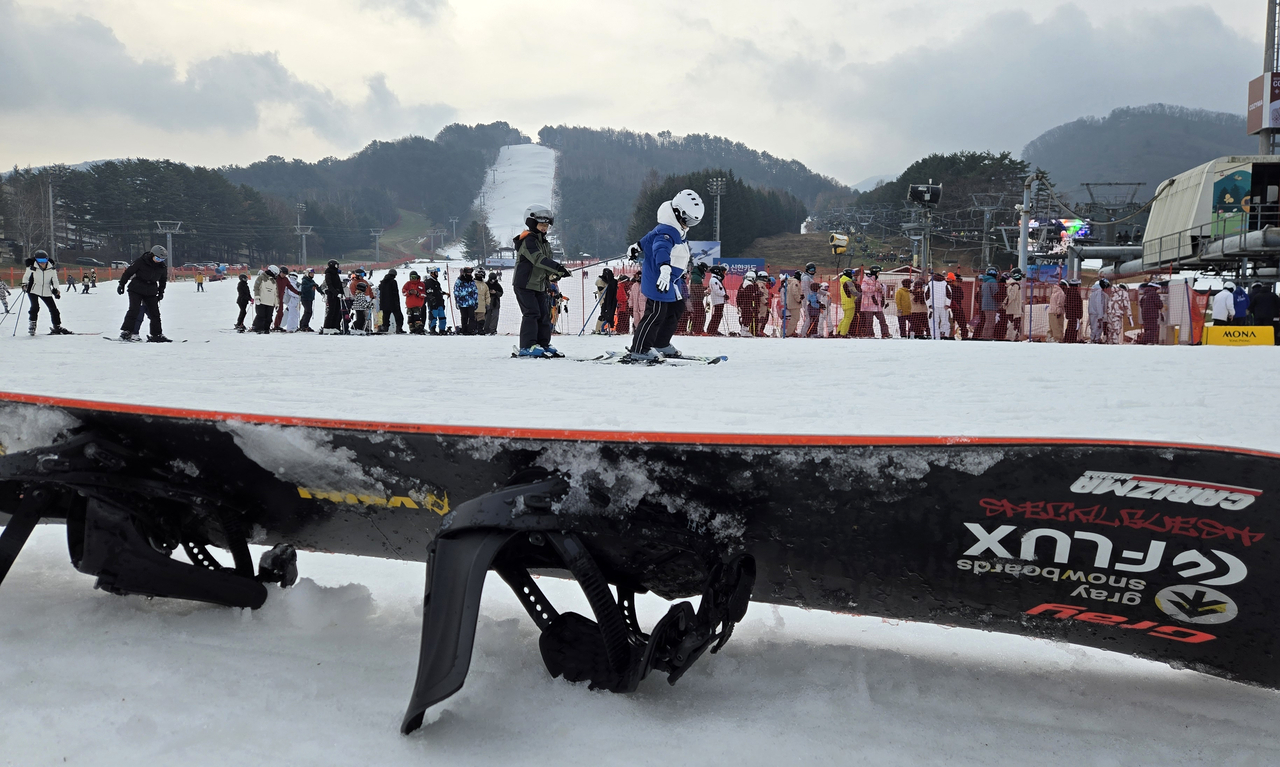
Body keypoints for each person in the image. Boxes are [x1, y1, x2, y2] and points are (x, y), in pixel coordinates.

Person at [628, 189, 705, 360]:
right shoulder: (668, 231)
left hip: (672, 280)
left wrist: (637, 246)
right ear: (678, 212)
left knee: (676, 308)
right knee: (655, 312)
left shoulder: (673, 227)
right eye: (688, 220)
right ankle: (639, 348)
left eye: (692, 222)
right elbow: (660, 248)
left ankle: (661, 343)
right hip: (660, 279)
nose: (688, 225)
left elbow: (649, 237)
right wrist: (664, 268)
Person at [514, 204, 571, 356]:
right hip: (524, 284)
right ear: (532, 224)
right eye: (541, 225)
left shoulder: (545, 243)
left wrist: (555, 274)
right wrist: (557, 267)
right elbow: (538, 260)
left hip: (539, 285)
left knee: (544, 315)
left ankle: (543, 344)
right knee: (531, 313)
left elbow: (545, 265)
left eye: (546, 225)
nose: (544, 228)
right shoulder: (528, 241)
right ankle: (527, 346)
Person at [117, 246, 169, 342]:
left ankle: (156, 334)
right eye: (157, 258)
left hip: (151, 290)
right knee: (134, 309)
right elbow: (128, 273)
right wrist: (121, 284)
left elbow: (163, 281)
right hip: (136, 288)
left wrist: (161, 292)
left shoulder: (162, 267)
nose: (159, 261)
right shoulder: (141, 262)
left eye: (162, 259)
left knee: (155, 313)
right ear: (152, 255)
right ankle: (127, 331)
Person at [23, 251, 71, 336]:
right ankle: (32, 325)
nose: (42, 262)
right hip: (33, 289)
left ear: (47, 259)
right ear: (36, 260)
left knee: (53, 309)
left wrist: (56, 290)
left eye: (44, 260)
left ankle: (57, 326)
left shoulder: (51, 268)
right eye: (39, 260)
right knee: (35, 307)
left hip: (46, 289)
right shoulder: (32, 267)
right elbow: (26, 277)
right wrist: (24, 285)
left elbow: (55, 280)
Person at [859, 265, 890, 338]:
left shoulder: (877, 281)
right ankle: (870, 334)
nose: (879, 274)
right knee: (869, 322)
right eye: (878, 272)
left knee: (882, 320)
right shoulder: (866, 279)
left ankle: (885, 333)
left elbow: (882, 290)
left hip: (877, 305)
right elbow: (863, 288)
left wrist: (881, 289)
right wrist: (874, 288)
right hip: (868, 305)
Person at [251, 265, 280, 334]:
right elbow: (256, 288)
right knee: (261, 316)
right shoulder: (261, 278)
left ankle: (266, 329)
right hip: (262, 302)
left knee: (269, 317)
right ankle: (258, 329)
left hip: (270, 303)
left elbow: (275, 293)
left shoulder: (274, 281)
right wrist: (257, 297)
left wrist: (276, 303)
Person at [684, 261, 708, 336]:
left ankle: (696, 330)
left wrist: (703, 288)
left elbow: (697, 288)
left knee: (698, 315)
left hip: (694, 299)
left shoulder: (695, 275)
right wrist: (705, 292)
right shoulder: (696, 277)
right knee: (700, 315)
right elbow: (697, 291)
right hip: (696, 300)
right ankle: (697, 330)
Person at [453, 267, 479, 335]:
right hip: (463, 303)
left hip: (471, 303)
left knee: (472, 317)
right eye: (468, 272)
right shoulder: (459, 281)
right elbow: (456, 292)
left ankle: (471, 330)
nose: (469, 274)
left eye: (470, 272)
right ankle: (464, 330)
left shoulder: (472, 281)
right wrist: (458, 300)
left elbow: (475, 291)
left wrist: (476, 301)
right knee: (464, 317)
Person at [925, 272, 950, 340]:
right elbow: (949, 294)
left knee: (933, 322)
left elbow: (926, 295)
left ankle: (935, 336)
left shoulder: (930, 284)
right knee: (944, 321)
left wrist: (929, 305)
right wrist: (947, 304)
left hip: (933, 306)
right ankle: (944, 334)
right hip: (943, 306)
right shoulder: (945, 283)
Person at [321, 260, 344, 335]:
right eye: (336, 265)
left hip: (338, 294)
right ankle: (327, 327)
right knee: (331, 311)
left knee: (337, 311)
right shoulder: (328, 273)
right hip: (332, 295)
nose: (337, 267)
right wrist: (336, 293)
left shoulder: (336, 273)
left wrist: (342, 293)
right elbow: (329, 285)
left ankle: (334, 326)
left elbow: (339, 285)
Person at [975, 267, 999, 339]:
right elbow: (995, 293)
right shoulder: (993, 281)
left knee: (987, 321)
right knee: (990, 322)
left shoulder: (985, 282)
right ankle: (987, 336)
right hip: (991, 305)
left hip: (985, 304)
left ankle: (985, 335)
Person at [1104, 279, 1130, 344]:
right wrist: (1130, 317)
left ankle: (1109, 342)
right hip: (1118, 314)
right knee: (1116, 328)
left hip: (1109, 313)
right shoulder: (1124, 293)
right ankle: (1115, 343)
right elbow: (1127, 306)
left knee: (1110, 329)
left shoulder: (1112, 292)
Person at [379, 269, 405, 333]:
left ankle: (385, 328)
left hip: (384, 303)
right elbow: (395, 293)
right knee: (399, 316)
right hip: (393, 303)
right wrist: (397, 303)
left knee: (385, 317)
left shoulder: (382, 282)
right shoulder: (393, 282)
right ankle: (399, 329)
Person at [424, 267, 448, 334]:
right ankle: (432, 329)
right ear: (432, 273)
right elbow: (429, 292)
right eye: (436, 272)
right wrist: (432, 299)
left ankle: (442, 329)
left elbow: (438, 291)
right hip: (433, 303)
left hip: (440, 302)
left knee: (442, 317)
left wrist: (444, 293)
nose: (437, 274)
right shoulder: (429, 282)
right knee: (433, 317)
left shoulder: (436, 281)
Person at [737, 271, 762, 337]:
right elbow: (750, 296)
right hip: (747, 305)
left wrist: (739, 304)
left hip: (743, 304)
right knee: (748, 318)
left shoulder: (743, 284)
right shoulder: (749, 285)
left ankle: (744, 330)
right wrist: (756, 294)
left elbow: (740, 295)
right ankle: (745, 331)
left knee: (744, 317)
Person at [274, 267, 299, 331]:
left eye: (285, 274)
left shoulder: (285, 279)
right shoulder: (276, 279)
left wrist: (297, 292)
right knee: (269, 312)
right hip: (273, 297)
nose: (284, 275)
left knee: (280, 313)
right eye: (283, 273)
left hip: (280, 298)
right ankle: (265, 325)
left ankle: (277, 326)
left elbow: (290, 287)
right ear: (280, 272)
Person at [705, 265, 727, 335]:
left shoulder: (715, 279)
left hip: (719, 300)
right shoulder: (714, 280)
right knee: (716, 316)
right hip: (718, 300)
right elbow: (716, 290)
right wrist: (724, 294)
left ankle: (714, 329)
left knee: (718, 315)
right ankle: (711, 330)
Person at [1002, 270, 1023, 341]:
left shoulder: (1011, 284)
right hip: (1014, 310)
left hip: (1011, 309)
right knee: (1014, 325)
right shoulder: (1015, 285)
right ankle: (1011, 339)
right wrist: (1005, 304)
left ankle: (1011, 338)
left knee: (1011, 325)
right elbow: (1011, 296)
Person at [836, 269, 857, 337]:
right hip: (850, 303)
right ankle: (843, 333)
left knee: (845, 318)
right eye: (852, 274)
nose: (852, 275)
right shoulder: (848, 282)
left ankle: (839, 332)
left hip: (845, 302)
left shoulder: (843, 281)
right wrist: (862, 295)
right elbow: (854, 292)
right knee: (848, 319)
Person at [948, 274, 970, 340]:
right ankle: (949, 336)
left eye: (959, 282)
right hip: (950, 309)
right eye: (957, 281)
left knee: (963, 324)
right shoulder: (948, 288)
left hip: (958, 308)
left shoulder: (959, 288)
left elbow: (961, 297)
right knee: (950, 324)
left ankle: (965, 337)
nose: (958, 283)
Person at [1063, 279, 1084, 343]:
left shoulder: (1068, 293)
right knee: (1074, 329)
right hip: (1075, 316)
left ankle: (1067, 339)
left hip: (1070, 315)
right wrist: (1079, 315)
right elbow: (1077, 306)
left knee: (1069, 328)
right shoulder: (1076, 294)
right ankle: (1072, 340)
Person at [473, 267, 490, 334]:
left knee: (481, 318)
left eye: (481, 275)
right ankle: (473, 329)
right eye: (478, 275)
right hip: (473, 304)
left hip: (482, 305)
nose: (480, 276)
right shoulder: (472, 283)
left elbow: (487, 295)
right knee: (472, 318)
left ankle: (480, 329)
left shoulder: (484, 285)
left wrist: (487, 303)